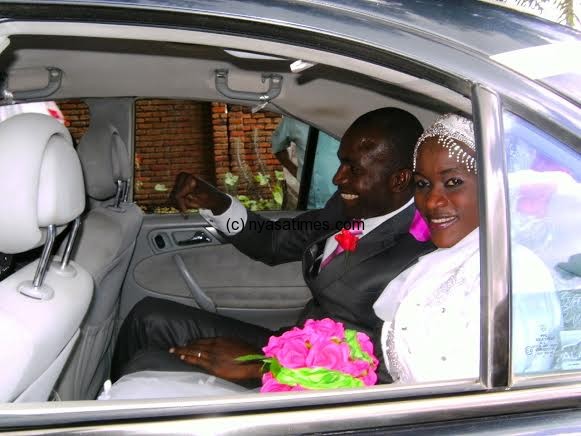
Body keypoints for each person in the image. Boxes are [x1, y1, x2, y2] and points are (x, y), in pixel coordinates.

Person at [111, 107, 435, 384]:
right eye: (341, 162)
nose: (338, 178)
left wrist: (267, 368)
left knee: (146, 367)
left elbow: (386, 368)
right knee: (148, 317)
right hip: (290, 342)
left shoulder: (422, 252)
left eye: (354, 169)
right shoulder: (346, 205)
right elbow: (276, 242)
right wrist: (216, 202)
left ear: (400, 179)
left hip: (316, 379)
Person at [373, 113, 562, 383]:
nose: (432, 202)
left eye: (453, 183)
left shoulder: (516, 273)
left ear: (494, 185)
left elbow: (503, 397)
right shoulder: (436, 264)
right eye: (423, 184)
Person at [271, 116, 340, 209]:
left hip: (342, 198)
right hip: (309, 201)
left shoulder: (344, 116)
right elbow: (278, 146)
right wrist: (297, 172)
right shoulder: (293, 118)